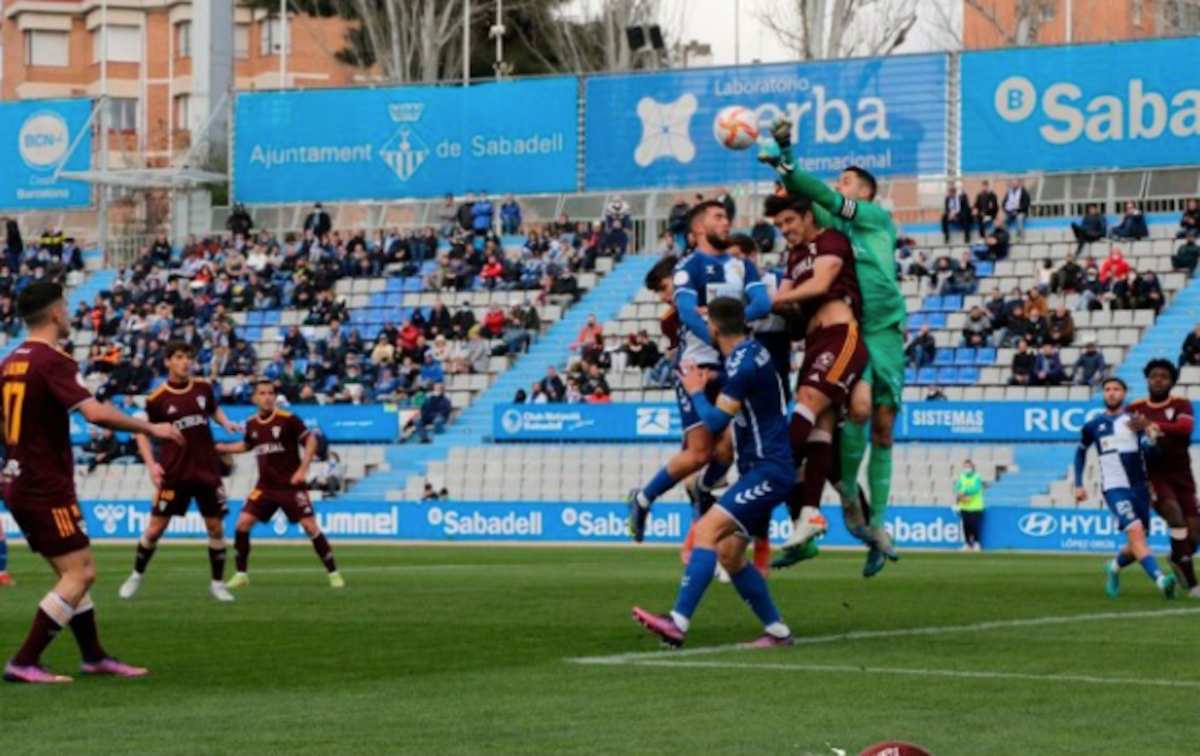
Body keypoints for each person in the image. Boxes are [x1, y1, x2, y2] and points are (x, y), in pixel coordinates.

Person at [1, 281, 183, 683]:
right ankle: (25, 661)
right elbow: (95, 414)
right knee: (80, 575)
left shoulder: (10, 360)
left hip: (18, 477)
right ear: (55, 314)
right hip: (43, 483)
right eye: (65, 307)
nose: (69, 314)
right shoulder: (52, 360)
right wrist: (151, 427)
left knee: (75, 569)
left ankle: (94, 655)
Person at [760, 119, 906, 576]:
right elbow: (799, 204)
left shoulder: (876, 219)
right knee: (857, 411)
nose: (838, 186)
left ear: (865, 192)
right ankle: (843, 500)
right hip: (853, 329)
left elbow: (816, 196)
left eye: (846, 181)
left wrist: (787, 154)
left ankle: (876, 524)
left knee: (882, 425)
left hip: (885, 330)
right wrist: (783, 166)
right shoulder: (824, 228)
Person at [630, 297, 794, 648]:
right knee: (730, 555)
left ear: (712, 329)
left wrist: (695, 391)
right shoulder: (751, 353)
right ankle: (778, 632)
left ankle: (677, 622)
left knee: (705, 531)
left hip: (767, 470)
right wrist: (715, 378)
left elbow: (717, 420)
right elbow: (745, 386)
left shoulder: (742, 363)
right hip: (767, 468)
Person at [627, 201, 770, 536]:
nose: (726, 222)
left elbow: (762, 303)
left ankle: (701, 491)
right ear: (699, 229)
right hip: (698, 366)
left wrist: (729, 323)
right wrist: (719, 336)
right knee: (700, 452)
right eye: (718, 217)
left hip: (732, 363)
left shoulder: (741, 266)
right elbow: (688, 312)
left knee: (726, 452)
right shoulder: (688, 267)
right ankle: (644, 498)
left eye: (727, 217)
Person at [764, 195, 869, 569]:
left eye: (790, 221)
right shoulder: (792, 257)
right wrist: (779, 302)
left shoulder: (831, 240)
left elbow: (821, 282)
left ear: (808, 216)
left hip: (841, 336)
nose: (786, 230)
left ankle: (769, 470)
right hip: (813, 345)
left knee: (808, 401)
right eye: (779, 226)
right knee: (818, 429)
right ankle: (809, 514)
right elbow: (784, 300)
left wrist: (777, 300)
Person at [117, 341, 241, 603]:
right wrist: (152, 464)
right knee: (154, 530)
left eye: (189, 357)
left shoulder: (204, 388)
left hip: (207, 470)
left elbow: (212, 408)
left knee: (216, 528)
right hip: (175, 473)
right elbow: (142, 430)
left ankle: (217, 584)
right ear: (168, 362)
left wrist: (225, 422)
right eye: (180, 357)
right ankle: (136, 575)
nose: (186, 362)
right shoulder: (157, 399)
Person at [215, 381, 344, 590]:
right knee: (242, 524)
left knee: (310, 526)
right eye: (262, 393)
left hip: (291, 487)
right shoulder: (252, 424)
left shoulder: (288, 419)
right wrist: (222, 447)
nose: (267, 397)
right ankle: (241, 574)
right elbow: (247, 445)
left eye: (270, 393)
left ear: (275, 397)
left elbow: (311, 440)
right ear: (254, 398)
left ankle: (333, 572)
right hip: (265, 487)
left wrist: (303, 469)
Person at [1075, 377, 1176, 599]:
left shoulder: (1135, 422)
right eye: (1107, 389)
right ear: (1103, 394)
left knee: (1137, 543)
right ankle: (1161, 580)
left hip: (1139, 489)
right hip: (1114, 488)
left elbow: (1153, 455)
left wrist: (1151, 440)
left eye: (1116, 389)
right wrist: (1078, 484)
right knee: (1136, 533)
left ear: (1124, 392)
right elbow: (1080, 452)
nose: (1111, 393)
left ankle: (1113, 567)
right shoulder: (1094, 425)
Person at [1128, 360, 1199, 598]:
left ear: (1172, 381)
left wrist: (1151, 424)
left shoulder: (1181, 404)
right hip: (1154, 475)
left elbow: (1184, 428)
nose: (1158, 379)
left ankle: (1178, 557)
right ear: (1147, 379)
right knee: (1175, 518)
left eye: (1164, 376)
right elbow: (1128, 436)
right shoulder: (1136, 407)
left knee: (1194, 535)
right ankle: (1191, 585)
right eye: (1154, 376)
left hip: (1182, 475)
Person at [954, 460, 984, 551]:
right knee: (966, 526)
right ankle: (967, 544)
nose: (967, 468)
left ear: (972, 467)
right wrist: (960, 495)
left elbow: (976, 488)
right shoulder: (962, 477)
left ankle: (976, 543)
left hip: (975, 506)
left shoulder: (977, 477)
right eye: (965, 466)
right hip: (964, 506)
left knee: (974, 526)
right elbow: (956, 488)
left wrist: (964, 492)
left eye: (969, 466)